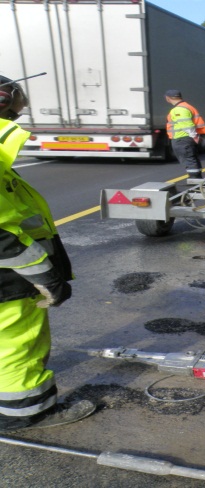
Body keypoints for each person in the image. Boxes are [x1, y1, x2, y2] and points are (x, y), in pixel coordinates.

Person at [0, 75, 95, 432]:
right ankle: (27, 412)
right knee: (17, 346)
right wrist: (46, 276)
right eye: (13, 114)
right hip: (8, 282)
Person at [164, 89, 205, 179]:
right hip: (185, 138)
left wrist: (194, 136)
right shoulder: (186, 106)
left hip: (182, 138)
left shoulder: (179, 109)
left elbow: (186, 124)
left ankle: (195, 180)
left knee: (189, 160)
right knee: (191, 159)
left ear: (168, 98)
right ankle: (197, 180)